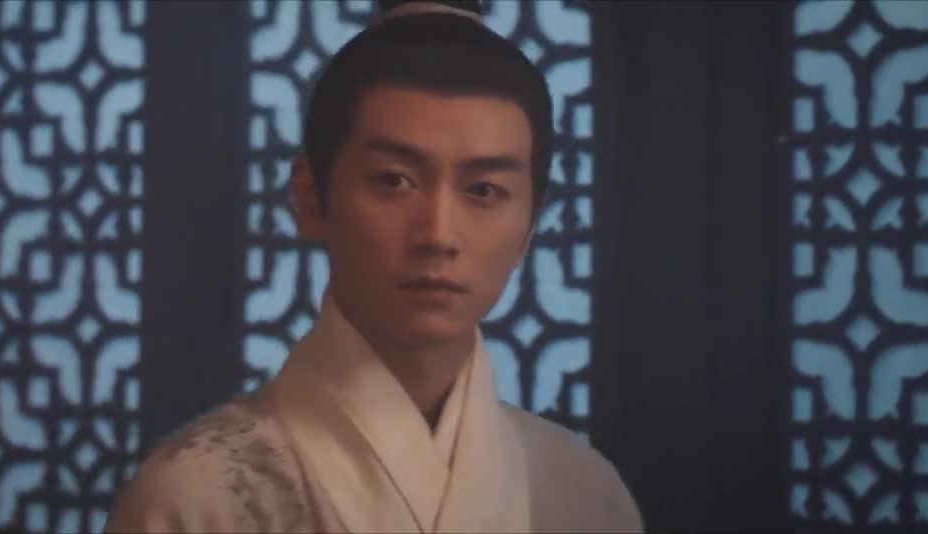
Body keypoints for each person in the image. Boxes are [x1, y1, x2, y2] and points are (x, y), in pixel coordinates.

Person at [106, 5, 642, 533]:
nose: (437, 235)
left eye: (483, 190)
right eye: (393, 181)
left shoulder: (583, 492)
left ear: (529, 225)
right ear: (310, 197)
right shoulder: (198, 498)